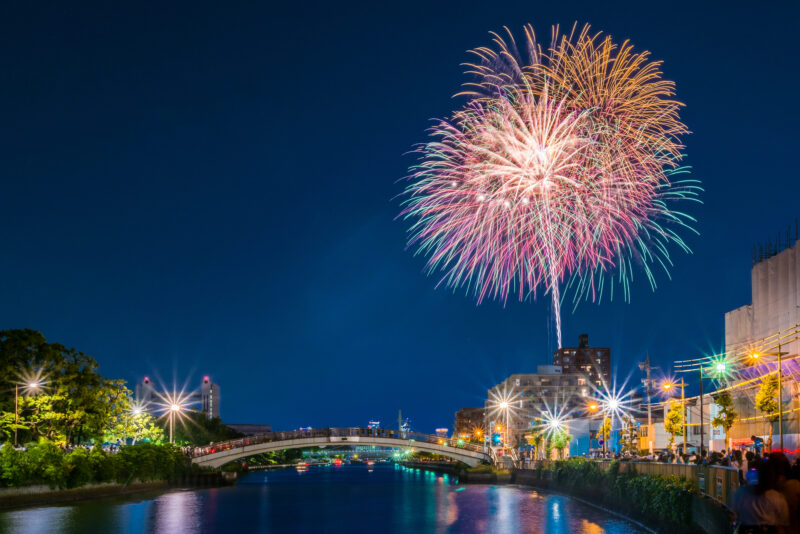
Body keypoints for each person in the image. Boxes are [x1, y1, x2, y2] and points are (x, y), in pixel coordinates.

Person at [733, 454, 790, 533]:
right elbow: (783, 523)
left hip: (746, 529)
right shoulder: (777, 497)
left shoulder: (741, 492)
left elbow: (735, 512)